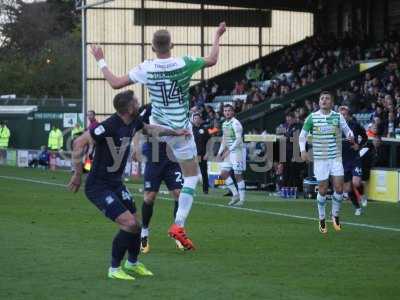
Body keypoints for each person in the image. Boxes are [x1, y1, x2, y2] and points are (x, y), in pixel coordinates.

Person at [89, 22, 227, 250]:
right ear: (172, 45)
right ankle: (178, 225)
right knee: (193, 178)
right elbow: (212, 60)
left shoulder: (147, 67)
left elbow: (115, 83)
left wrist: (100, 59)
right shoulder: (184, 62)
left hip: (155, 131)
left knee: (162, 177)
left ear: (152, 48)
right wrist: (217, 35)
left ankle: (149, 228)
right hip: (180, 132)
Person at [68, 90, 190, 280]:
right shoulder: (109, 126)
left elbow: (150, 129)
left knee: (137, 224)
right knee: (129, 223)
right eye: (135, 101)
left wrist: (175, 132)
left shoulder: (134, 122)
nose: (138, 102)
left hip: (115, 183)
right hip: (98, 186)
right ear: (128, 108)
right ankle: (114, 269)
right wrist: (77, 174)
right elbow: (78, 142)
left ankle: (132, 263)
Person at [299, 91, 354, 234]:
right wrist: (303, 151)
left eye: (327, 98)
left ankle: (335, 215)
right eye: (322, 98)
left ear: (332, 102)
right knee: (322, 189)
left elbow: (348, 131)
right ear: (319, 102)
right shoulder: (312, 117)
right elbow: (302, 135)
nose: (324, 100)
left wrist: (350, 136)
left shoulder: (337, 116)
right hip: (320, 159)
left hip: (335, 157)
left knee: (339, 188)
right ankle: (322, 217)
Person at [133, 104, 184, 253]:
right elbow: (137, 128)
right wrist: (136, 148)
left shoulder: (176, 108)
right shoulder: (148, 109)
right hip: (154, 155)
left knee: (179, 194)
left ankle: (178, 232)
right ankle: (144, 234)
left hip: (171, 156)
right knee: (149, 197)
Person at [339, 106, 368, 216]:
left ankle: (363, 195)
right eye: (341, 115)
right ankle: (357, 208)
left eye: (345, 114)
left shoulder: (355, 126)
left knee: (356, 182)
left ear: (348, 115)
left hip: (354, 158)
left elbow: (365, 137)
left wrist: (359, 146)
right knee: (347, 188)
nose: (343, 116)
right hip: (342, 161)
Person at [217, 104, 246, 206]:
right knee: (223, 174)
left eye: (229, 110)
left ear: (233, 112)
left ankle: (242, 200)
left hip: (237, 151)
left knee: (238, 175)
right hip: (230, 152)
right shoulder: (224, 124)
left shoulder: (236, 123)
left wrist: (229, 150)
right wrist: (219, 152)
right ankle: (235, 194)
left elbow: (238, 140)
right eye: (225, 111)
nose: (227, 112)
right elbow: (224, 140)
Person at [192, 113, 210, 194]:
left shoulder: (205, 129)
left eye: (198, 118)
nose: (196, 119)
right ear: (193, 120)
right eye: (195, 118)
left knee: (204, 172)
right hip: (193, 154)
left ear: (200, 119)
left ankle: (205, 189)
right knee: (192, 173)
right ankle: (191, 189)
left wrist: (207, 153)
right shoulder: (190, 129)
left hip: (202, 154)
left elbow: (209, 142)